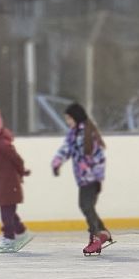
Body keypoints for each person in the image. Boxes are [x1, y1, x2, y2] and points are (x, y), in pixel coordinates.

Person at [52, 102, 111, 256]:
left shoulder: (88, 133)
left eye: (69, 119)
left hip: (91, 178)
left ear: (76, 117)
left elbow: (99, 157)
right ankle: (102, 233)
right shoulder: (74, 133)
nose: (68, 122)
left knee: (85, 206)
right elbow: (66, 149)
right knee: (87, 206)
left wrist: (97, 176)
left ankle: (96, 237)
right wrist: (57, 162)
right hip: (83, 179)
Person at [0, 106, 32, 253]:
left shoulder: (2, 144)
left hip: (9, 184)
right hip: (2, 184)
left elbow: (17, 159)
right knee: (9, 211)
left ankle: (9, 237)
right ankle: (21, 232)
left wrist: (22, 171)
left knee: (6, 212)